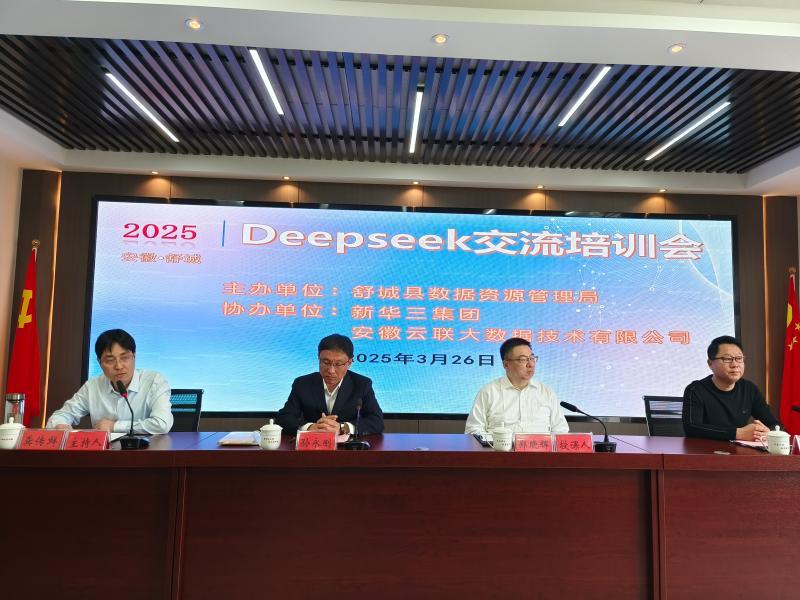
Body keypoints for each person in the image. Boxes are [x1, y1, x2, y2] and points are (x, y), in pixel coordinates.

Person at [46, 329, 173, 434]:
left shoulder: (154, 382)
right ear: (100, 362)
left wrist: (114, 426)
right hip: (104, 454)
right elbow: (60, 416)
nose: (119, 366)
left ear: (134, 356)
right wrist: (60, 425)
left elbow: (162, 424)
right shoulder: (93, 386)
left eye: (124, 358)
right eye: (110, 360)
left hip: (145, 452)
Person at [276, 333, 384, 436]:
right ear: (318, 358)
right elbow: (283, 418)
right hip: (312, 445)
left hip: (347, 447)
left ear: (349, 363)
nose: (331, 370)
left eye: (338, 364)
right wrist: (311, 427)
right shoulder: (302, 384)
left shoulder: (362, 384)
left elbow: (377, 421)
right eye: (326, 362)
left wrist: (342, 428)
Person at [682, 335, 779, 441]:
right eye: (727, 359)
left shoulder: (749, 389)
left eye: (739, 358)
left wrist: (768, 432)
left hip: (739, 450)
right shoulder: (695, 390)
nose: (735, 364)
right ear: (710, 364)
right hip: (706, 449)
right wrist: (737, 433)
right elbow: (692, 428)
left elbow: (774, 424)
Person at [465, 337, 569, 435]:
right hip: (499, 448)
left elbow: (560, 429)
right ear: (506, 364)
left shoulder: (546, 392)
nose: (530, 364)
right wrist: (496, 442)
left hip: (540, 448)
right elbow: (473, 430)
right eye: (523, 359)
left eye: (532, 358)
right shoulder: (489, 392)